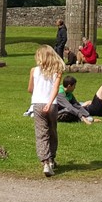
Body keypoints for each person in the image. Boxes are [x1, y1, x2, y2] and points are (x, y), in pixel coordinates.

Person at [28, 44, 65, 176]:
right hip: (52, 104)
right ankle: (52, 159)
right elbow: (55, 89)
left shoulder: (34, 71)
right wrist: (49, 103)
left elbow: (30, 89)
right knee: (52, 131)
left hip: (38, 103)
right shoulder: (57, 70)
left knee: (41, 133)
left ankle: (45, 161)